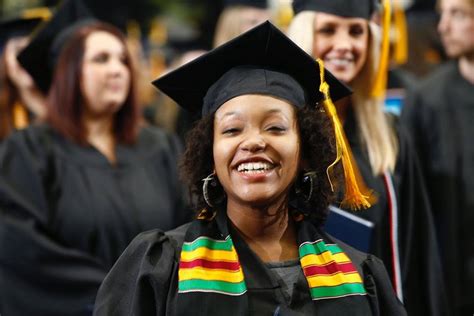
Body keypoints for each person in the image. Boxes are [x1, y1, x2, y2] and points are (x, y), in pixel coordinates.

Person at [94, 21, 406, 316]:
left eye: (275, 127)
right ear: (210, 156)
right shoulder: (163, 267)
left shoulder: (356, 274)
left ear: (306, 151)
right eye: (232, 130)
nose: (254, 142)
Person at [0, 2, 189, 315]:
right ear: (67, 72)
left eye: (122, 60)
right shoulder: (28, 152)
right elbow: (20, 246)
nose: (117, 69)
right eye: (101, 59)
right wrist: (118, 294)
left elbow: (190, 225)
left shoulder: (160, 147)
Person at [287, 0, 447, 314]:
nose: (345, 45)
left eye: (357, 31)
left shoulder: (387, 135)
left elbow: (417, 249)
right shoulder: (283, 134)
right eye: (328, 30)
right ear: (304, 37)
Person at [402, 0, 474, 313]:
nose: (443, 26)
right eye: (442, 14)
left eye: (458, 14)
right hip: (453, 281)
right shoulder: (426, 100)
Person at [0, 9, 50, 141]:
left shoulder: (64, 102)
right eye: (19, 51)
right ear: (6, 61)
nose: (26, 58)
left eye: (33, 50)